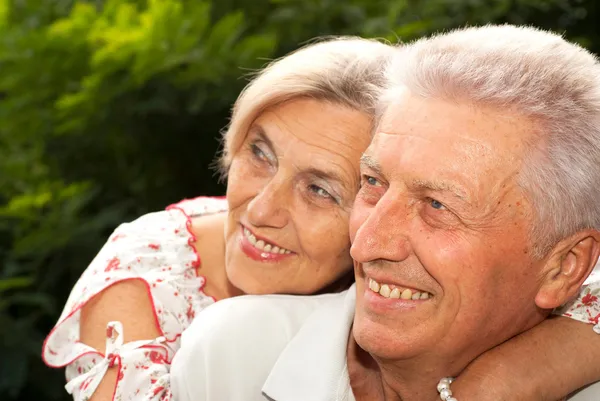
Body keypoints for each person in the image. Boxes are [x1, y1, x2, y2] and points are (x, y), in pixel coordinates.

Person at [170, 25, 600, 401]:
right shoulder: (230, 359)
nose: (366, 242)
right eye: (373, 183)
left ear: (564, 267)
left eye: (437, 206)